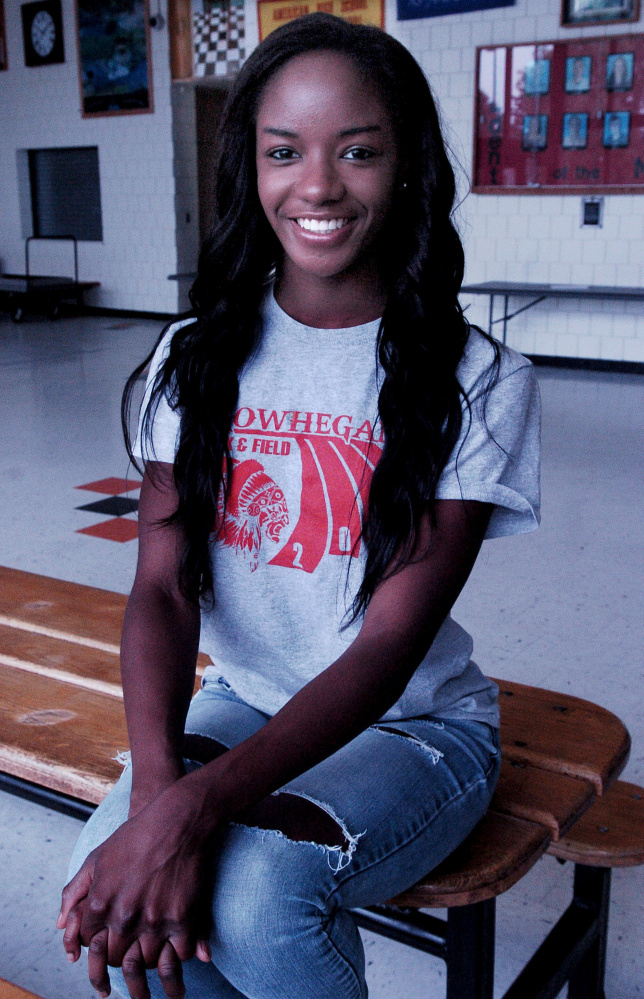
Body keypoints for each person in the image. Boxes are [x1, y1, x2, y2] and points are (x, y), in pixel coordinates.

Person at [58, 13, 540, 999]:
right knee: (108, 880)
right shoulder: (193, 358)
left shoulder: (476, 377)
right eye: (285, 152)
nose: (317, 185)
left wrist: (192, 817)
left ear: (404, 165)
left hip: (415, 727)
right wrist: (158, 793)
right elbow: (160, 591)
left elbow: (381, 653)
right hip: (242, 700)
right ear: (252, 169)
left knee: (255, 894)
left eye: (356, 151)